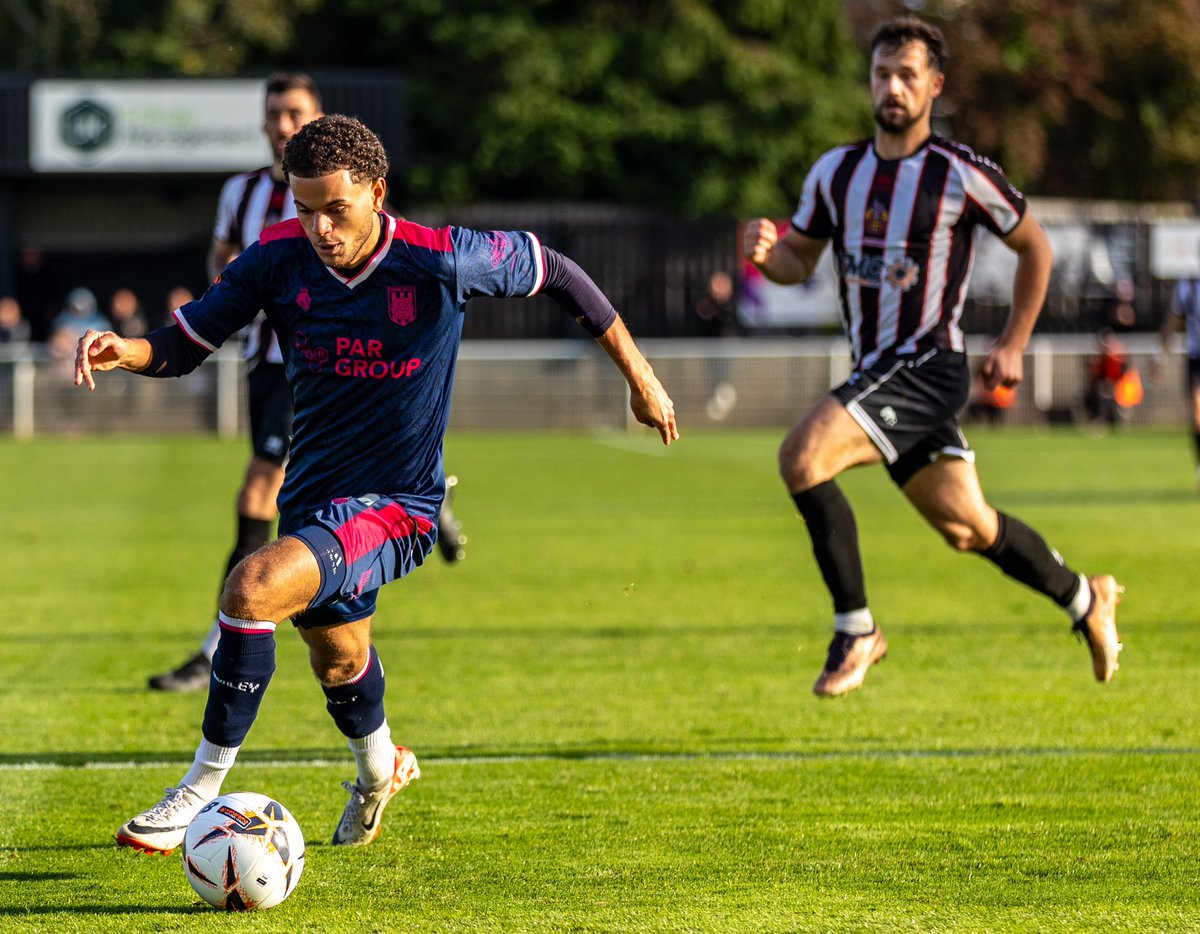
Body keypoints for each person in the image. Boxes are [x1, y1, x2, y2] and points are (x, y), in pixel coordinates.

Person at [75, 113, 678, 852]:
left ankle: (198, 790)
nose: (321, 229)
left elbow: (555, 269)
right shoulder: (275, 257)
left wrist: (641, 378)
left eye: (336, 209)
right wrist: (126, 350)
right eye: (306, 210)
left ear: (377, 192)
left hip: (399, 506)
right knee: (339, 660)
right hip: (313, 499)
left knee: (251, 588)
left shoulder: (440, 257)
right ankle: (378, 772)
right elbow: (186, 341)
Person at [741, 15, 1122, 698]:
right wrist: (768, 255)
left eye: (907, 75)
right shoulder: (836, 172)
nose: (892, 87)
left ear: (934, 86)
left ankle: (857, 629)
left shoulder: (958, 173)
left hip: (928, 367)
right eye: (882, 74)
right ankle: (1085, 599)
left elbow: (1035, 247)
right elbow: (799, 259)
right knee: (970, 528)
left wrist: (1013, 342)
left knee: (802, 457)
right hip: (876, 376)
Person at [147, 73, 464, 694]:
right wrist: (235, 290)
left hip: (321, 369)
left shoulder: (352, 196)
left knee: (258, 495)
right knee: (291, 513)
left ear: (318, 120)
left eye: (294, 113)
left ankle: (221, 643)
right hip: (266, 363)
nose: (283, 124)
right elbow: (221, 258)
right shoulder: (240, 193)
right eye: (274, 114)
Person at [1154, 261, 1200, 485]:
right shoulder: (1187, 284)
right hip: (1196, 357)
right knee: (1197, 415)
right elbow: (1172, 323)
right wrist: (1159, 358)